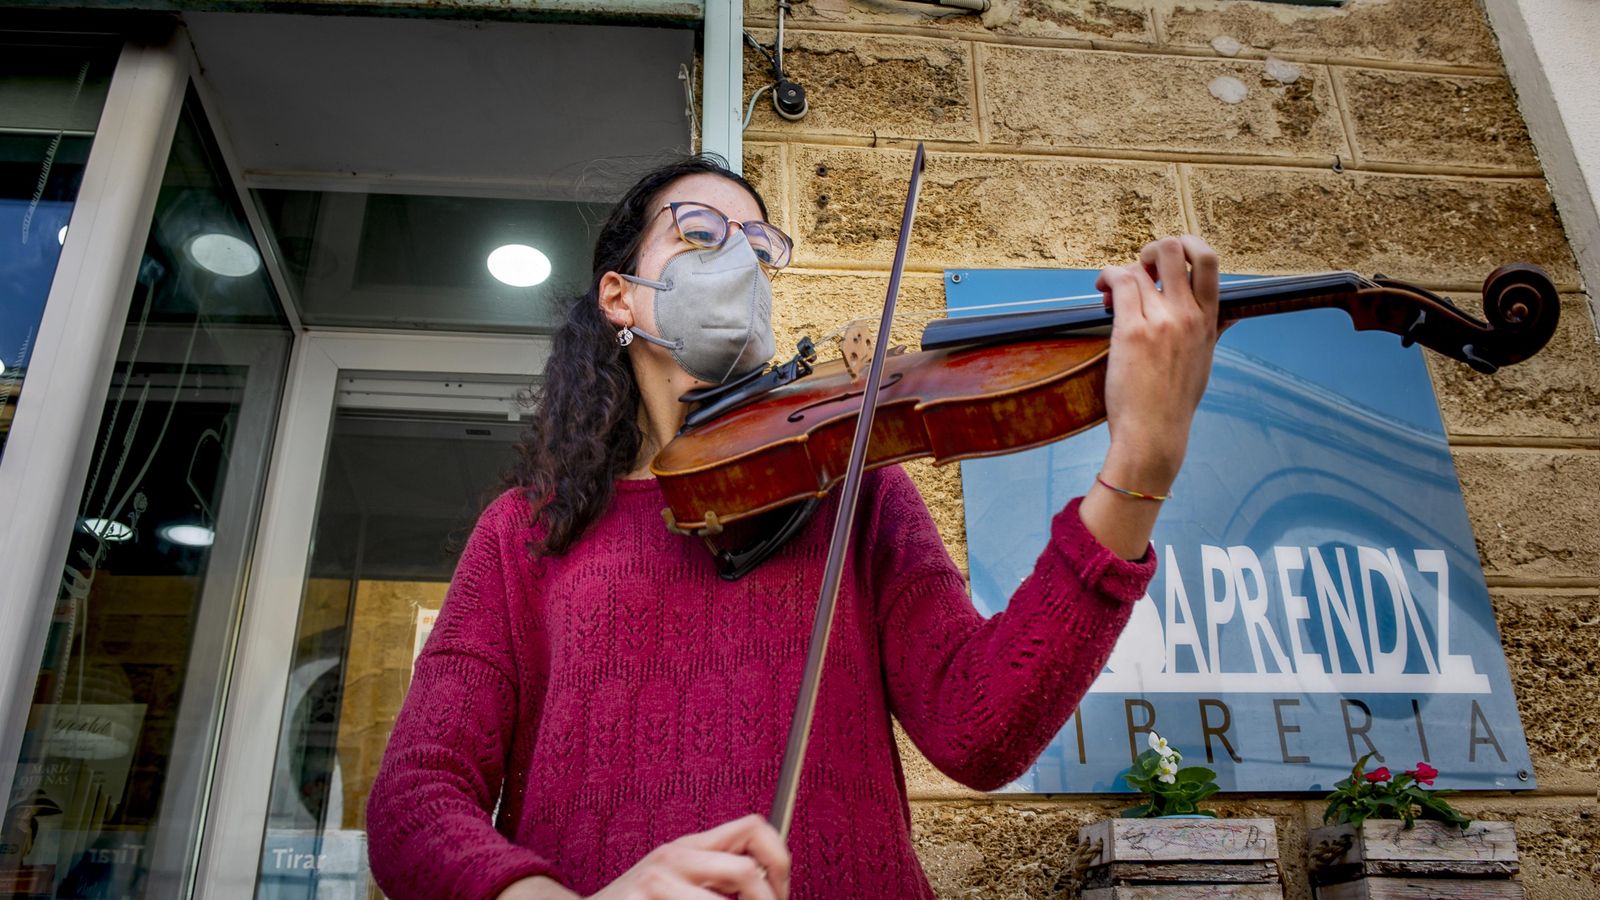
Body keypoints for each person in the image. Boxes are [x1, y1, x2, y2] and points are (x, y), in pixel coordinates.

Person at [365, 155, 1220, 900]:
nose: (736, 263)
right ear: (620, 298)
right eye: (700, 236)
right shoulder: (528, 531)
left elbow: (979, 727)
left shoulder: (850, 489)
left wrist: (1140, 468)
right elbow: (417, 797)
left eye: (759, 250)